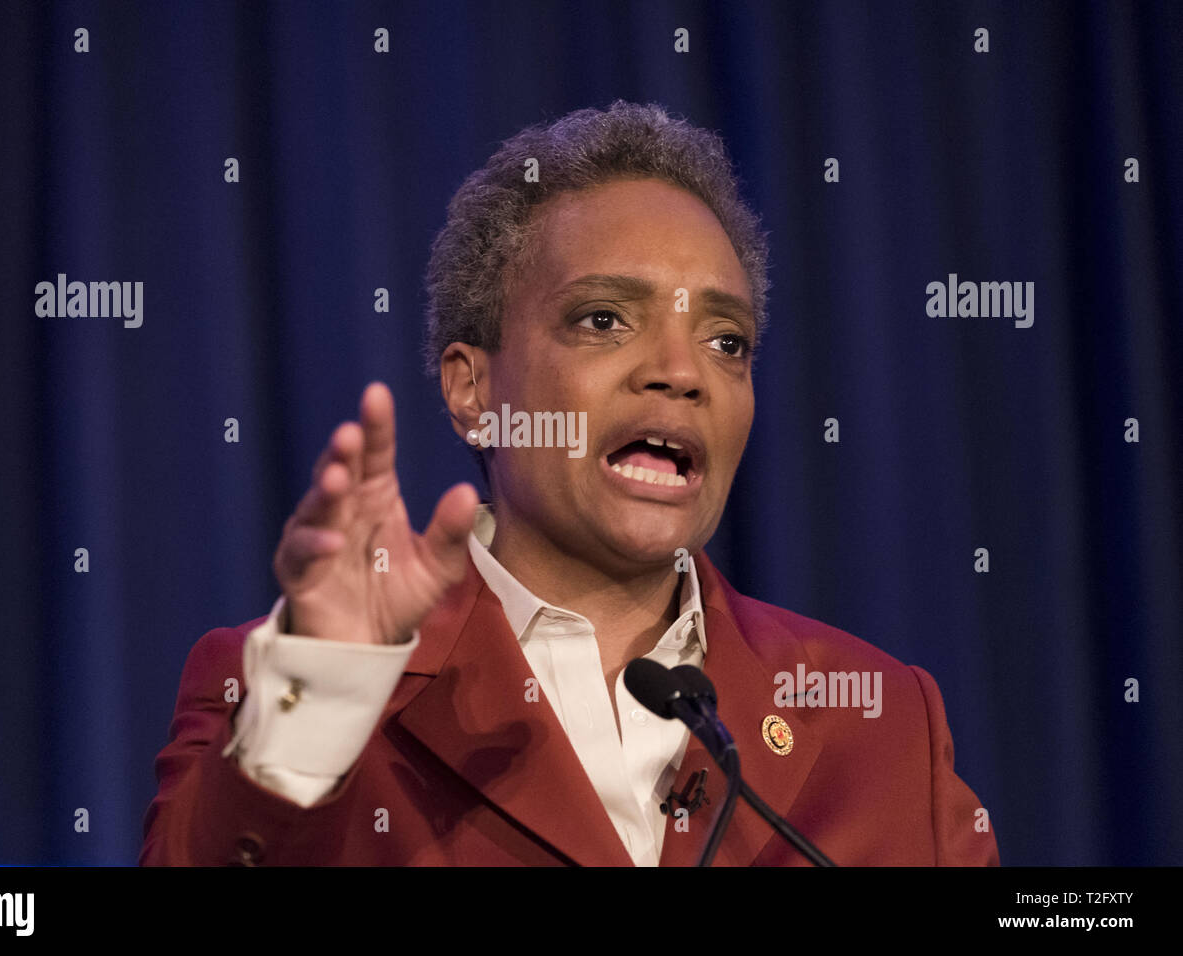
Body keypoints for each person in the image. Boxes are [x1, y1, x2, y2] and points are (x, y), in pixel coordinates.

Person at [139, 101, 1000, 866]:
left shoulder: (880, 720)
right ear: (473, 390)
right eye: (603, 320)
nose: (680, 371)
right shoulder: (297, 686)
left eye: (725, 340)